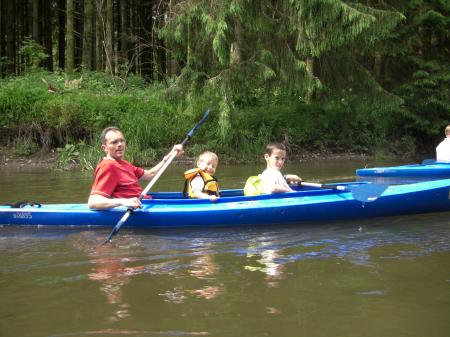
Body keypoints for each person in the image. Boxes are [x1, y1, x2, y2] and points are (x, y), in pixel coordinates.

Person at [88, 126, 184, 209]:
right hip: (135, 208)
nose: (120, 144)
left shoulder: (125, 164)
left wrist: (170, 155)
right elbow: (93, 202)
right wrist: (124, 202)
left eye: (122, 141)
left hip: (143, 204)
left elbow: (151, 175)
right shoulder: (107, 166)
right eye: (114, 142)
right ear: (104, 148)